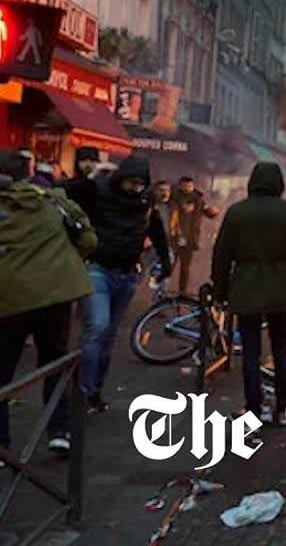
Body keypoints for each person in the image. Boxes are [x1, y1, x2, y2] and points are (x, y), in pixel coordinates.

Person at [0, 150, 98, 455]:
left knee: (2, 373)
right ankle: (59, 431)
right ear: (27, 172)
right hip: (55, 296)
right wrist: (61, 262)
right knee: (55, 363)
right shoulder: (52, 200)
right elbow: (88, 239)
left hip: (8, 298)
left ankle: (2, 445)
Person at [211, 163, 286, 423]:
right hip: (281, 289)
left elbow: (221, 256)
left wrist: (220, 291)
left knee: (250, 350)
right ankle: (283, 408)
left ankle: (253, 408)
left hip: (245, 288)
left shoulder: (237, 213)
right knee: (281, 349)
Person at [77, 156, 171, 413]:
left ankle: (94, 389)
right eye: (133, 183)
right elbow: (67, 193)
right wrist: (90, 178)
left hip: (127, 274)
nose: (137, 188)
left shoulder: (145, 201)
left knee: (108, 336)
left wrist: (165, 260)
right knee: (97, 327)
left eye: (141, 184)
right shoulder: (99, 191)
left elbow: (156, 231)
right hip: (98, 269)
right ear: (122, 178)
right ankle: (83, 391)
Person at [172, 177, 220, 294]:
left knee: (185, 268)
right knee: (168, 266)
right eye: (185, 186)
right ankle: (159, 292)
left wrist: (214, 211)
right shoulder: (172, 198)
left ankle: (182, 292)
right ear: (180, 186)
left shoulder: (198, 199)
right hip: (173, 237)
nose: (187, 188)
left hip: (189, 238)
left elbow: (209, 213)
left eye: (189, 186)